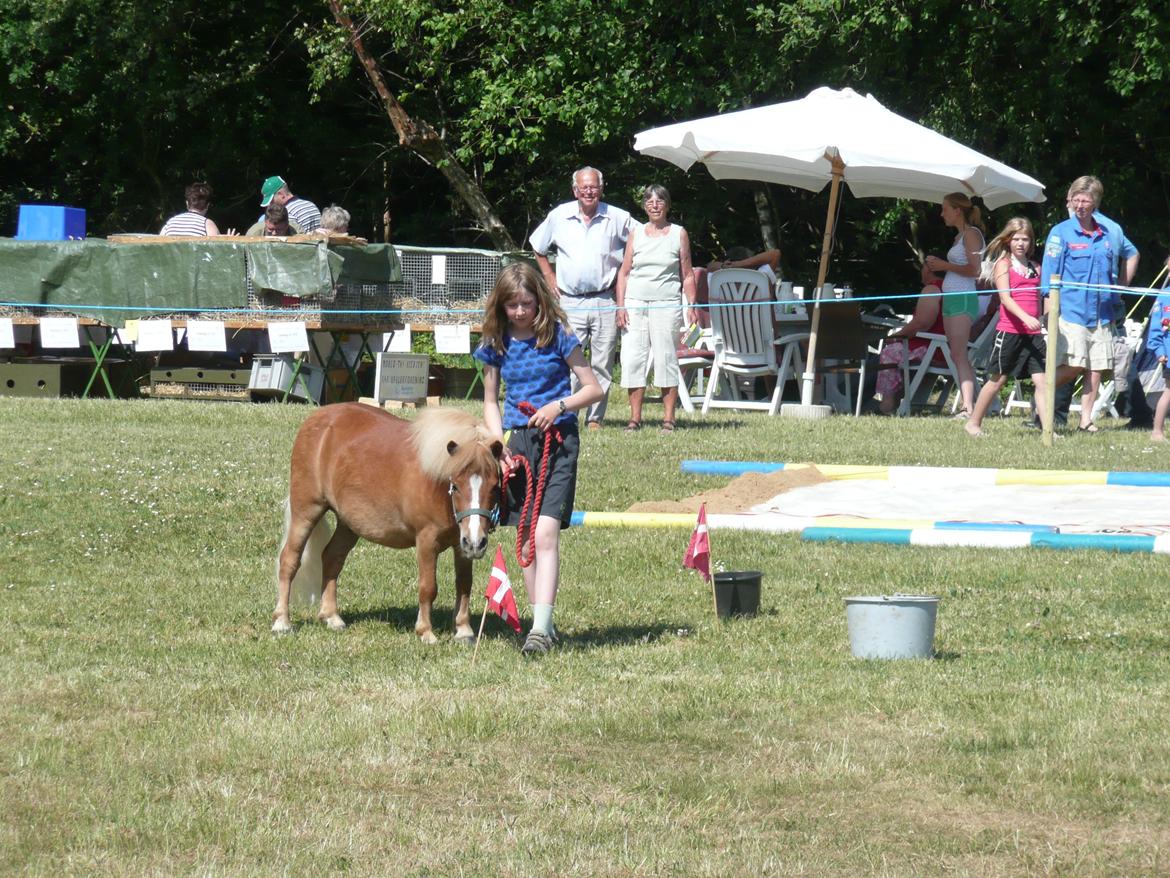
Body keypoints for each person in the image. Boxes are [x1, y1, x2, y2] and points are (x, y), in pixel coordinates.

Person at [474, 263, 601, 655]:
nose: (519, 312)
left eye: (526, 304)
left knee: (545, 533)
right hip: (518, 444)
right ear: (501, 305)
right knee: (527, 538)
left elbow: (593, 388)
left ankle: (541, 631)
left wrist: (557, 406)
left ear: (539, 301)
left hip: (558, 440)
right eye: (512, 305)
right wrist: (499, 447)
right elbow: (491, 401)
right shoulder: (496, 342)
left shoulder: (559, 335)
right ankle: (540, 625)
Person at [530, 166, 633, 430]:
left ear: (601, 189)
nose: (589, 191)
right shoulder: (559, 215)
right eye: (584, 187)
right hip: (570, 301)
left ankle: (595, 418)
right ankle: (568, 414)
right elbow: (537, 245)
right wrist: (548, 275)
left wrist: (625, 272)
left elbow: (642, 240)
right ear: (575, 190)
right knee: (569, 359)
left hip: (605, 299)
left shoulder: (618, 217)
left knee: (603, 362)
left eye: (594, 187)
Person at [1040, 176, 1127, 433]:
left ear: (1095, 203)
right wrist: (1048, 311)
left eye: (1085, 201)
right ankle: (1042, 390)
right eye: (1076, 200)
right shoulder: (1060, 233)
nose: (1080, 206)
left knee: (1097, 365)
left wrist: (1114, 305)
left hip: (1102, 313)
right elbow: (1049, 274)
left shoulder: (1105, 235)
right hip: (1071, 311)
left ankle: (1086, 420)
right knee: (1075, 364)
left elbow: (1111, 273)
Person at [615, 184, 699, 434]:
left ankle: (669, 419)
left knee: (666, 359)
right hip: (635, 303)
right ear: (644, 206)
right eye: (650, 201)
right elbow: (624, 273)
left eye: (660, 201)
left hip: (667, 303)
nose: (655, 205)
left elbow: (687, 274)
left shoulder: (679, 233)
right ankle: (634, 419)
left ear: (667, 205)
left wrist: (692, 305)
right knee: (633, 358)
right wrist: (621, 306)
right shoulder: (636, 233)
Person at [965, 219, 1051, 437]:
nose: (1021, 243)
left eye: (1025, 239)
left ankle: (1047, 429)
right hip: (1010, 331)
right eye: (1016, 239)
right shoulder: (1003, 264)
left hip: (1034, 334)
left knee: (1042, 381)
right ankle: (973, 423)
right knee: (998, 380)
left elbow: (1043, 297)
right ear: (1008, 240)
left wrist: (1045, 320)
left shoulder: (1036, 267)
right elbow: (1005, 299)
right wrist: (1026, 318)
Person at [923, 192, 985, 417]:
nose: (942, 214)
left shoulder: (971, 234)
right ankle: (968, 404)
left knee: (959, 354)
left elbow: (975, 270)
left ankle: (968, 406)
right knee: (956, 354)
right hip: (951, 298)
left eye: (945, 209)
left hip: (962, 298)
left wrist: (945, 265)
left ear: (957, 211)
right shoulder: (959, 236)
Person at [871, 264, 947, 414]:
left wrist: (896, 336)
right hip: (946, 348)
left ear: (929, 269)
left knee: (890, 352)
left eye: (923, 267)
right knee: (898, 353)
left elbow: (922, 323)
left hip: (932, 348)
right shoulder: (952, 288)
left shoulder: (933, 289)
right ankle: (898, 402)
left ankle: (887, 405)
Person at [160, 182, 230, 236]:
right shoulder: (207, 224)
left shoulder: (170, 222)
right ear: (207, 206)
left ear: (187, 203)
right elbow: (216, 248)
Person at [1145, 286, 1170, 441]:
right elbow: (1155, 328)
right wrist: (1159, 351)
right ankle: (1157, 431)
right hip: (1169, 356)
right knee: (1169, 392)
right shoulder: (1164, 296)